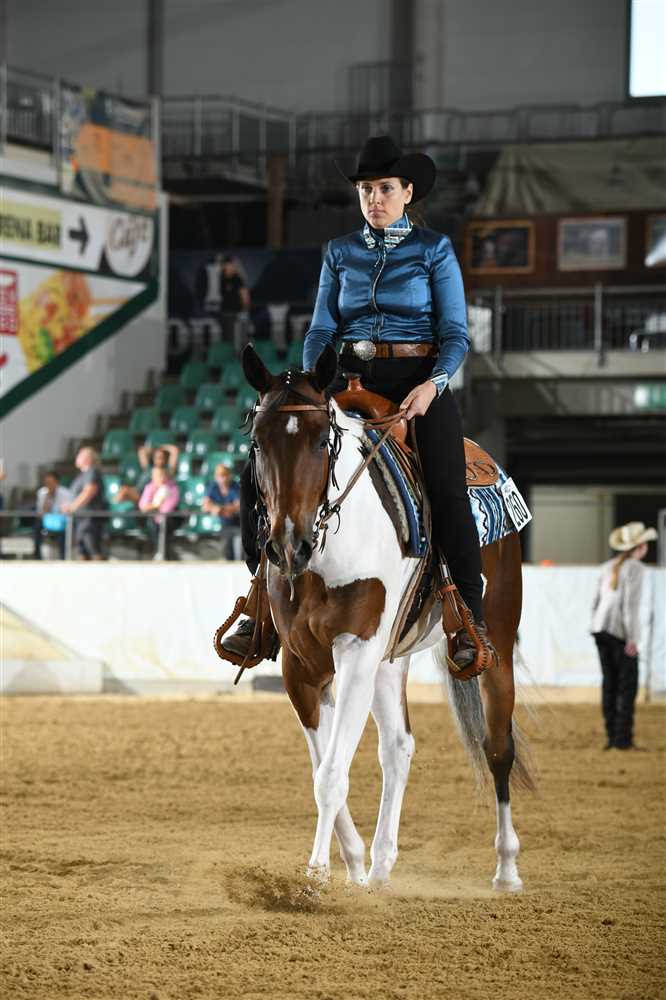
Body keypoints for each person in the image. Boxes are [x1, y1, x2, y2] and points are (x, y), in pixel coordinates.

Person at [222, 135, 493, 672]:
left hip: (418, 384)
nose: (374, 199)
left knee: (446, 486)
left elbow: (456, 334)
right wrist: (314, 384)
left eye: (385, 189)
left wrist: (433, 385)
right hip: (348, 381)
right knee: (262, 470)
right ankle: (259, 602)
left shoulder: (434, 249)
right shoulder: (340, 252)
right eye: (366, 190)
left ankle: (468, 615)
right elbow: (322, 329)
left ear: (407, 192)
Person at [591, 521, 656, 750]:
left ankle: (612, 737)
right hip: (619, 631)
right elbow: (630, 606)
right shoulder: (636, 568)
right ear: (640, 547)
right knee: (627, 686)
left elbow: (596, 602)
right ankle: (623, 739)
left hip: (600, 629)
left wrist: (594, 625)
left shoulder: (607, 566)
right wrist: (632, 639)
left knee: (609, 683)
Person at [62, 447, 107, 560]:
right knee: (82, 551)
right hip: (81, 519)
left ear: (88, 459)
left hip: (90, 519)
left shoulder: (92, 472)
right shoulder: (82, 475)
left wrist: (73, 506)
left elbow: (89, 491)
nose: (77, 457)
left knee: (93, 549)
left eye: (80, 455)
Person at [202, 462, 242, 560]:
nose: (223, 479)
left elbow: (239, 505)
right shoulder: (213, 486)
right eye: (220, 476)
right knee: (227, 552)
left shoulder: (235, 486)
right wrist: (214, 508)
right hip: (225, 524)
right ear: (216, 477)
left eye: (225, 476)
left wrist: (221, 509)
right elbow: (205, 506)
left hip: (239, 524)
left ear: (229, 476)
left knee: (240, 552)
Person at [138, 466, 180, 558]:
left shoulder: (171, 488)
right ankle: (158, 551)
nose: (159, 478)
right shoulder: (149, 487)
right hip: (153, 518)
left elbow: (167, 508)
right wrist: (154, 505)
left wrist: (153, 506)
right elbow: (142, 506)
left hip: (169, 518)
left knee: (163, 522)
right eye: (156, 475)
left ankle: (163, 553)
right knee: (152, 522)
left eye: (161, 475)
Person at [34, 470, 72, 559]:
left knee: (63, 533)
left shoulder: (65, 493)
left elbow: (67, 510)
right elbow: (40, 512)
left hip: (61, 521)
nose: (49, 485)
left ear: (57, 482)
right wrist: (47, 498)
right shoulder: (42, 492)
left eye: (51, 483)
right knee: (37, 528)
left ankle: (63, 557)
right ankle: (37, 556)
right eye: (47, 483)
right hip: (47, 520)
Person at [220, 255, 251, 351]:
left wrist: (245, 311)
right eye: (229, 265)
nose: (232, 267)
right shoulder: (222, 279)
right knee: (227, 339)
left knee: (239, 339)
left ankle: (239, 355)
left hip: (236, 314)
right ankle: (229, 356)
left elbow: (245, 296)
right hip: (225, 313)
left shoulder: (237, 279)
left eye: (233, 265)